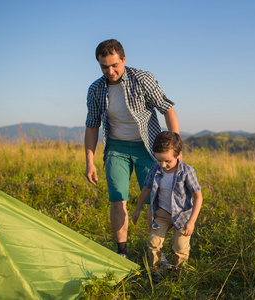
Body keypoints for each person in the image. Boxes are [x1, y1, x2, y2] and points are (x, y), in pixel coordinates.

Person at [84, 39, 179, 258]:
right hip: (116, 148)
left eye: (114, 65)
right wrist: (90, 162)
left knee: (154, 201)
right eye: (104, 67)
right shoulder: (96, 89)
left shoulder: (142, 79)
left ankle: (156, 252)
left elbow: (168, 109)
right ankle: (122, 253)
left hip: (148, 148)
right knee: (118, 198)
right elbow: (92, 126)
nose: (110, 71)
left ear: (124, 59)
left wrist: (175, 147)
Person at [132, 131, 203, 282]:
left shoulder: (187, 172)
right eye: (159, 160)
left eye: (167, 161)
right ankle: (156, 271)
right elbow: (146, 189)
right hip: (162, 213)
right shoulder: (155, 169)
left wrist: (192, 221)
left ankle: (178, 273)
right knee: (153, 243)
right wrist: (137, 209)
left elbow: (198, 197)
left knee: (180, 247)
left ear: (178, 155)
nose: (163, 165)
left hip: (183, 216)